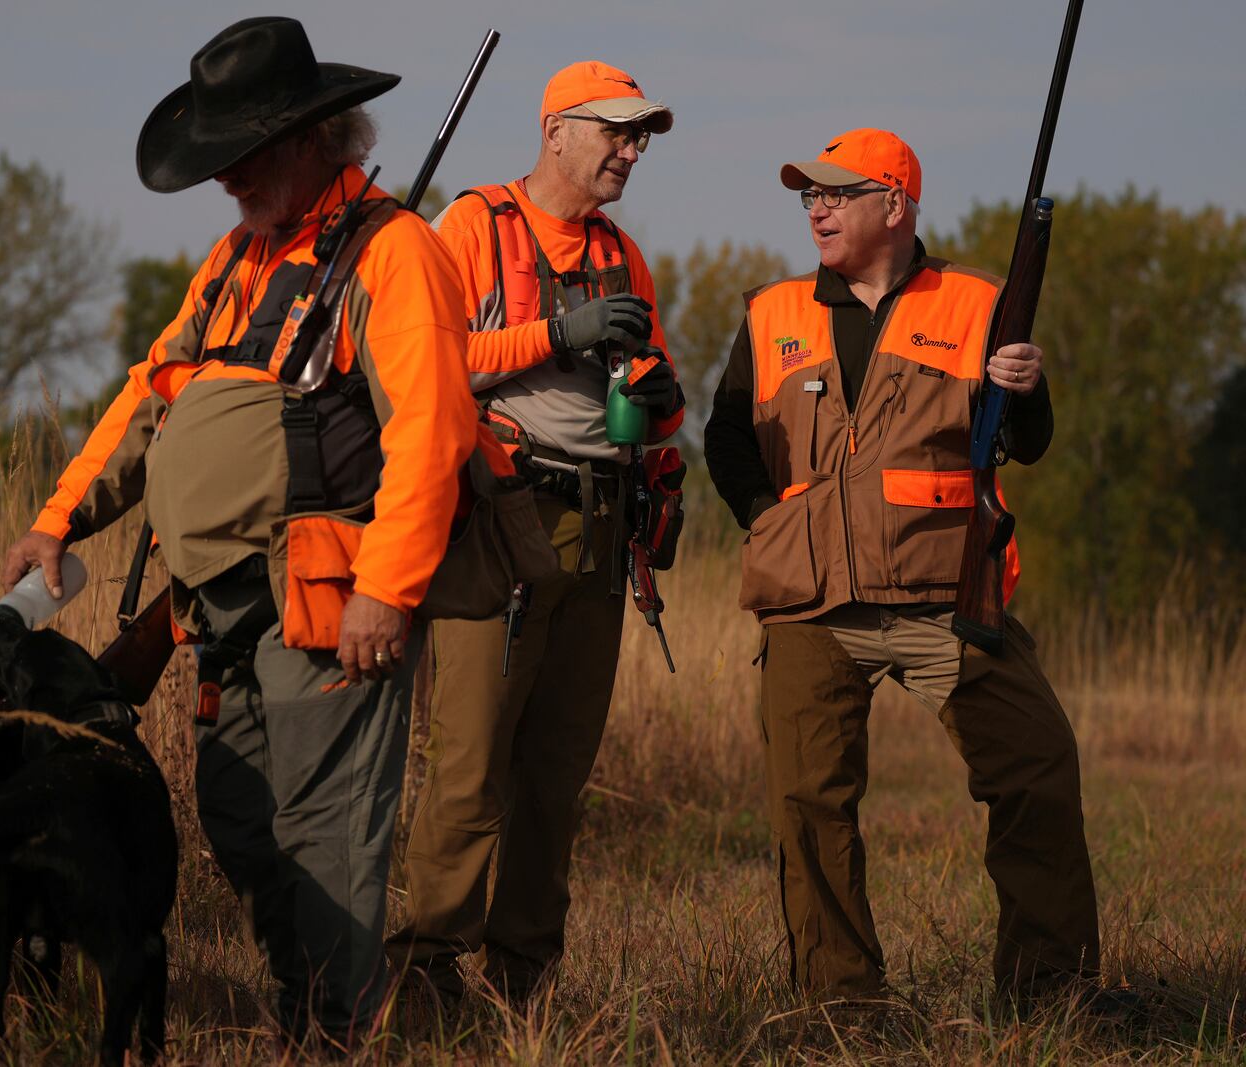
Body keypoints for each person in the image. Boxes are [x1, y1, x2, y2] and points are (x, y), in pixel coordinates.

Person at [0, 16, 479, 1047]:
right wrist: (60, 519)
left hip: (326, 599)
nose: (224, 180)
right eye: (215, 160)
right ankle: (304, 1001)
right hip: (215, 608)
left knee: (327, 831)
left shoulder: (396, 252)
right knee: (239, 814)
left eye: (242, 155)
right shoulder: (236, 257)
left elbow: (433, 433)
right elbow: (148, 393)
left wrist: (386, 591)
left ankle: (335, 1031)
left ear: (313, 138)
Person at [703, 128, 1099, 1008]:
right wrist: (769, 520)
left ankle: (1051, 991)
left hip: (941, 593)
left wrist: (1027, 389)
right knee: (807, 803)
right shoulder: (772, 312)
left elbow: (1022, 445)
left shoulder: (975, 301)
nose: (817, 207)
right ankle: (842, 1003)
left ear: (895, 204)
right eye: (809, 195)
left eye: (837, 194)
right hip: (810, 600)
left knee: (1036, 767)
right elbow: (727, 436)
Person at [387, 61, 684, 1003]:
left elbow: (650, 391)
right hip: (500, 525)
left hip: (601, 534)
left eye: (641, 137)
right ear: (557, 130)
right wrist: (559, 333)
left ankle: (523, 976)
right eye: (618, 132)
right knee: (471, 764)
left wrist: (667, 404)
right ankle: (428, 968)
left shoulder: (624, 254)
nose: (632, 152)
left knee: (555, 775)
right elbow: (426, 360)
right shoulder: (472, 225)